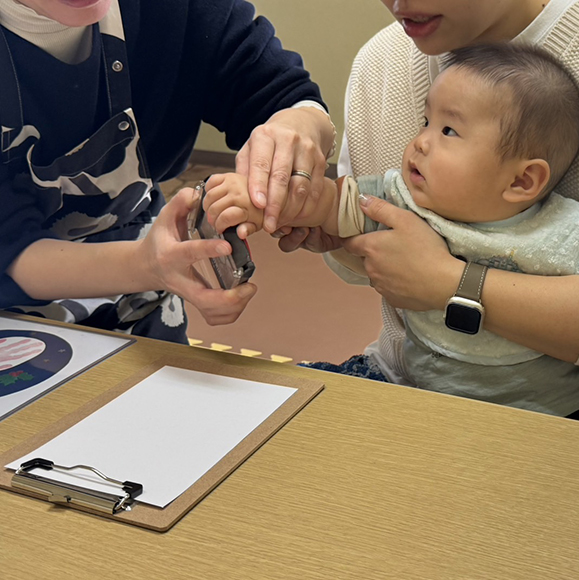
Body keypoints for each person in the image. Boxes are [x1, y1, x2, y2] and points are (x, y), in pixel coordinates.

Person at [267, 0, 579, 436]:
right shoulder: (381, 62)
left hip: (560, 413)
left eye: (449, 130)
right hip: (407, 380)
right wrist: (309, 213)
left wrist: (451, 283)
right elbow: (365, 238)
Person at [205, 43, 579, 436]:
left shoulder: (564, 233)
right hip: (421, 391)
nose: (422, 141)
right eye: (425, 122)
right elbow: (328, 201)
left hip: (554, 412)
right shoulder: (402, 200)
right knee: (291, 411)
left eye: (449, 130)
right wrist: (262, 199)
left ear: (522, 181)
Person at [0, 0, 335, 342]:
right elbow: (11, 246)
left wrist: (300, 124)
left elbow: (277, 89)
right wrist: (146, 265)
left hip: (142, 309)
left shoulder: (174, 10)